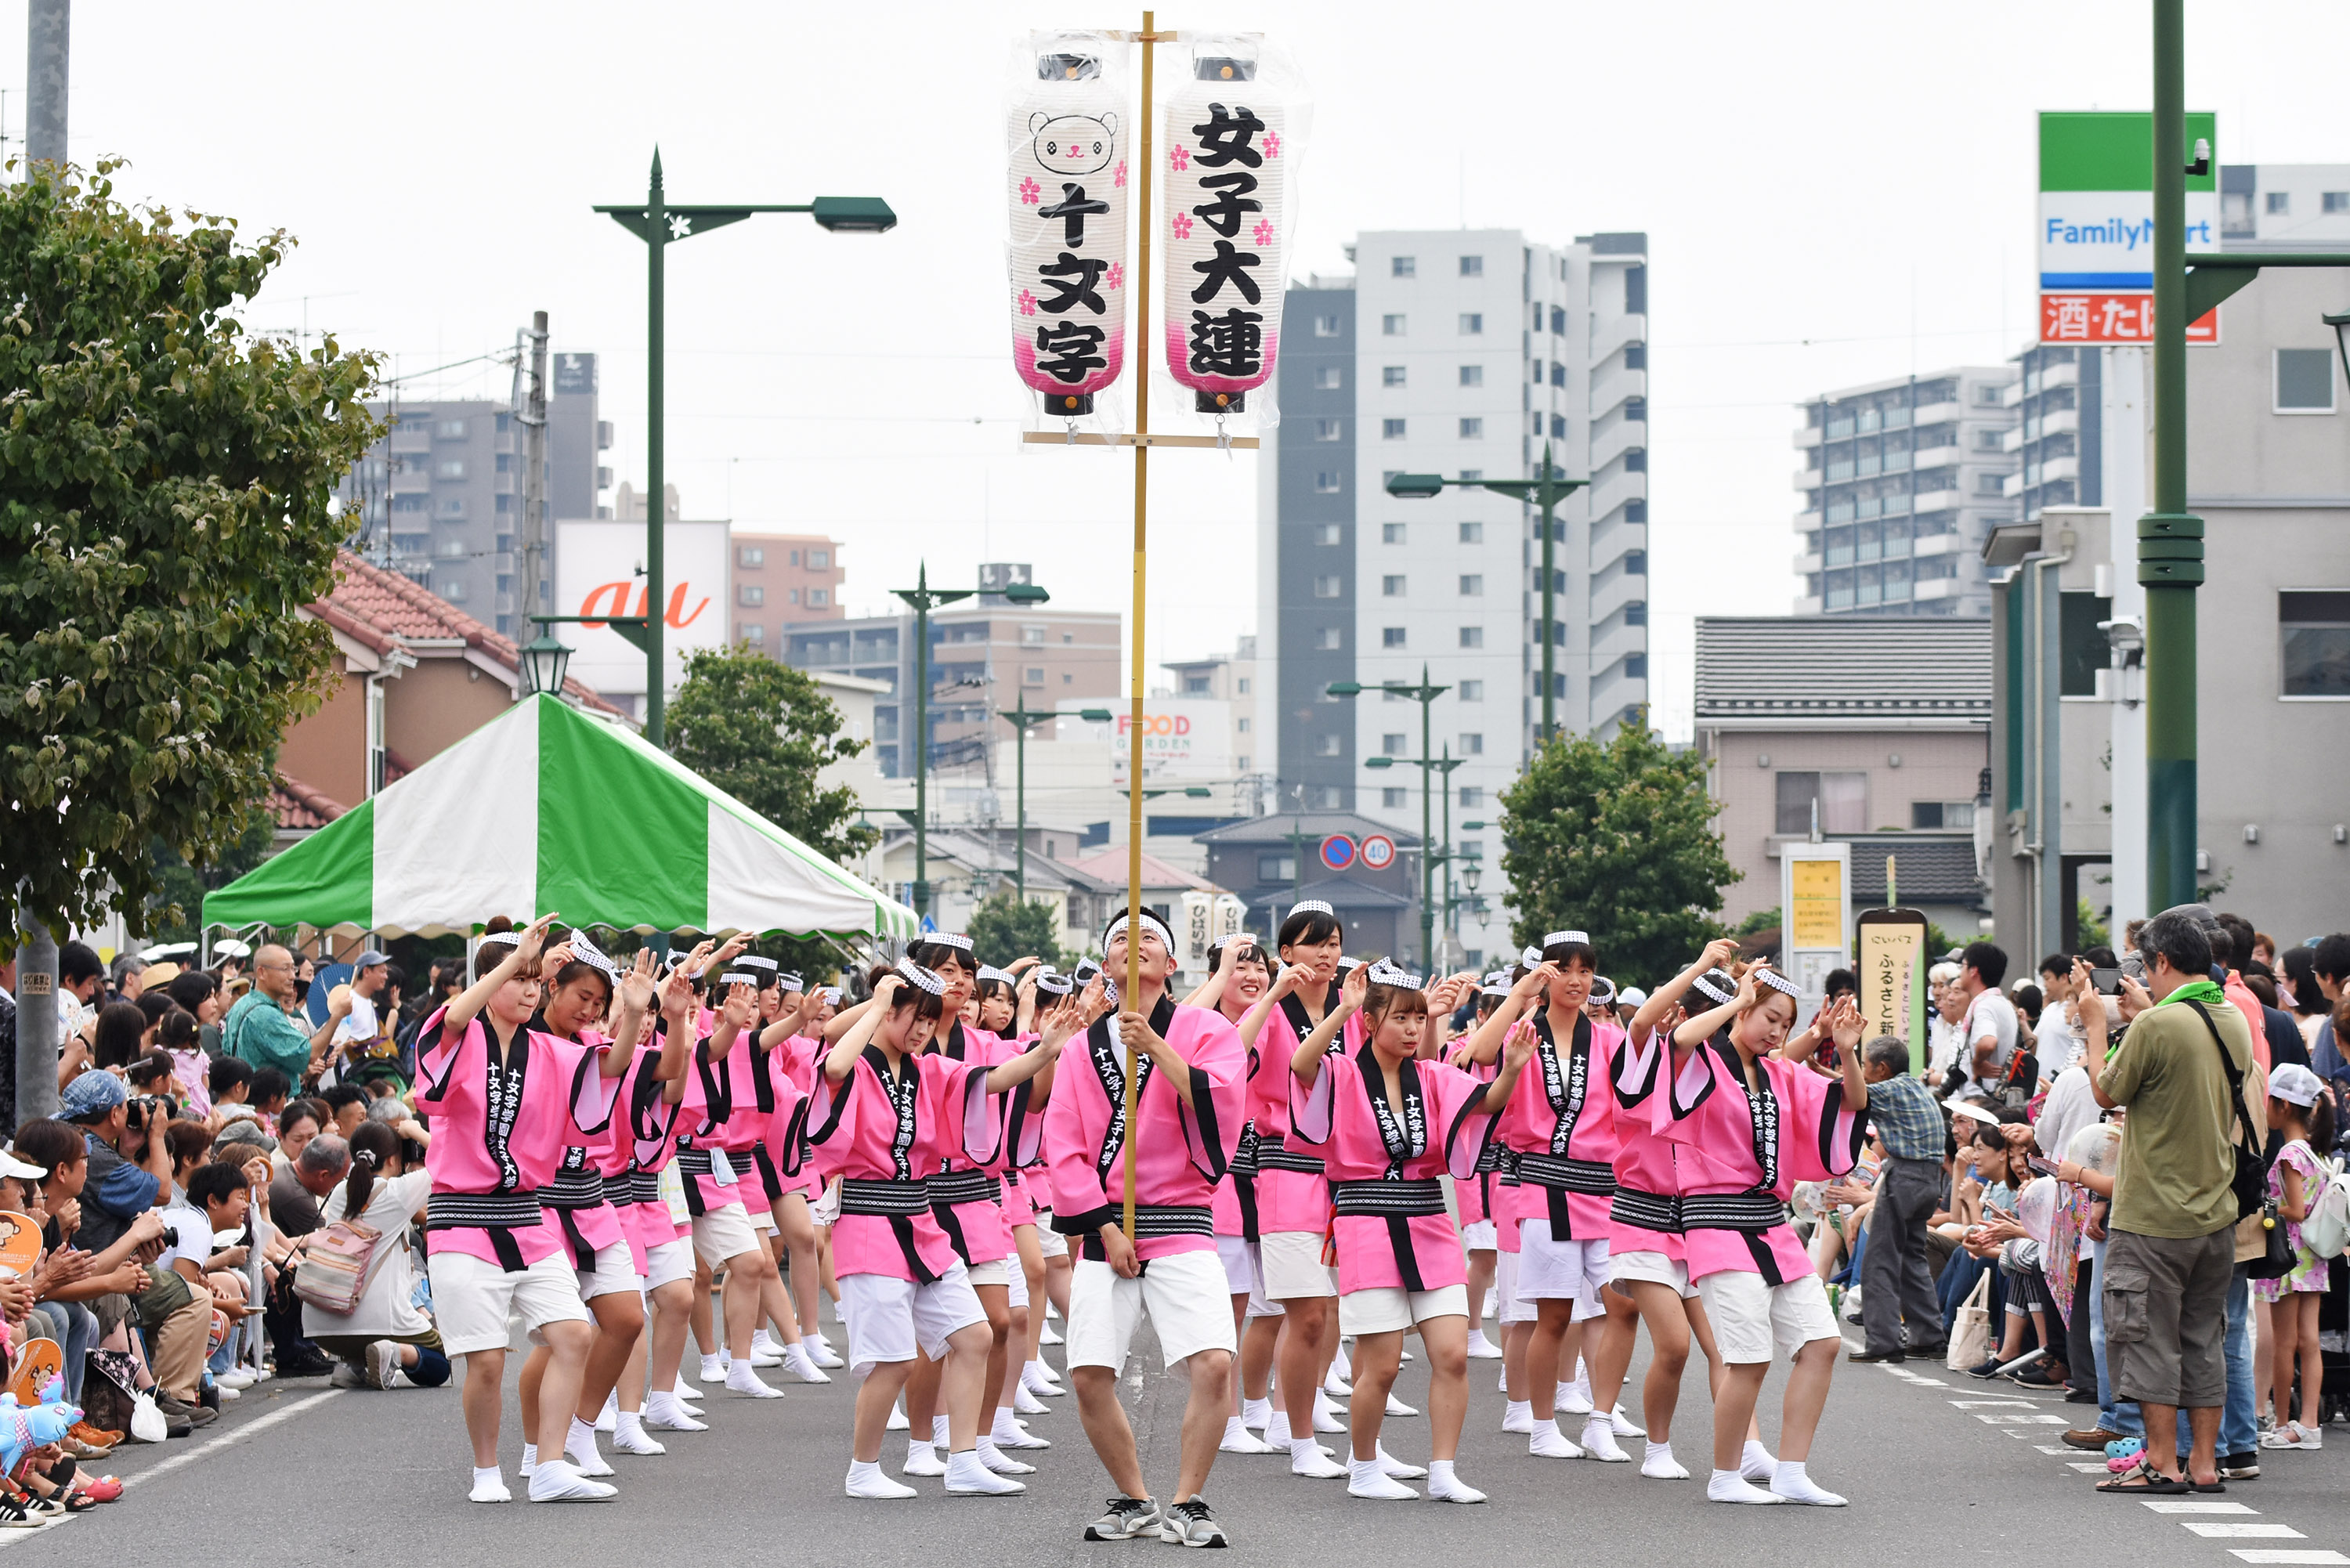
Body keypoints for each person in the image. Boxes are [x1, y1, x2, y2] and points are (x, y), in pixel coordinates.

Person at [810, 957, 1065, 1501]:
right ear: (888, 1012)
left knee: (974, 1335)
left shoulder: (927, 1069)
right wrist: (877, 1004)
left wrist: (1045, 1050)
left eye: (930, 1020)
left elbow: (992, 1081)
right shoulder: (856, 1064)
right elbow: (832, 1068)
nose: (924, 1029)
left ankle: (964, 1458)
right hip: (870, 1224)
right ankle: (863, 1469)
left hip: (921, 1224)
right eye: (913, 1017)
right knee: (896, 1359)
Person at [1287, 959, 1533, 1502]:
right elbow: (1302, 1064)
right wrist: (1344, 1009)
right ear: (1372, 1022)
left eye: (1419, 1019)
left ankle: (1443, 1469)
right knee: (1380, 1365)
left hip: (1427, 1222)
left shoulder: (1433, 1076)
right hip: (1366, 1223)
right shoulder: (1344, 1072)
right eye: (1401, 1018)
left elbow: (1483, 1104)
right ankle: (1366, 1466)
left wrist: (1512, 1069)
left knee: (1452, 1353)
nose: (1412, 1029)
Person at [414, 913, 638, 1505]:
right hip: (462, 1218)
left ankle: (549, 1464)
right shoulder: (460, 1035)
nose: (530, 989)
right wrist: (515, 957)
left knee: (572, 1335)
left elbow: (609, 1070)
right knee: (486, 1361)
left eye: (537, 980)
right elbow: (457, 1017)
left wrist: (637, 1013)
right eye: (520, 979)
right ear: (491, 981)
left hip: (525, 1216)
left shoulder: (548, 1050)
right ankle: (486, 1471)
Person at [1043, 911, 1246, 1547]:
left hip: (1181, 1217)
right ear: (1106, 969)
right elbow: (1065, 1146)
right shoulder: (1082, 1048)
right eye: (1120, 942)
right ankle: (1134, 1497)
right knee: (1088, 1374)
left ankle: (1189, 1500)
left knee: (1214, 1362)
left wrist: (1155, 1047)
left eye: (1149, 938)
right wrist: (1104, 1229)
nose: (1134, 946)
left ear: (1171, 964)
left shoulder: (1207, 1030)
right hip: (1108, 1231)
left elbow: (1219, 1107)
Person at [1665, 964, 1871, 1506]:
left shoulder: (1780, 1073)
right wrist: (1738, 998)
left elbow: (1849, 1104)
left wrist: (1846, 1050)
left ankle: (1792, 1471)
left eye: (1785, 1023)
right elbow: (1681, 1036)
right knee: (1750, 1357)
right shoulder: (1704, 1062)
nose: (1776, 1031)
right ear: (1744, 1009)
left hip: (1770, 1223)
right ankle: (1725, 1476)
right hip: (1715, 1220)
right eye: (1768, 1017)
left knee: (1822, 1344)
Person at [2090, 906, 2259, 1495]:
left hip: (2154, 1216)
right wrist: (2146, 1015)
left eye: (2145, 965)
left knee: (2147, 1339)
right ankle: (2205, 1465)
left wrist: (2096, 1024)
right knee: (2203, 1342)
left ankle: (2160, 1462)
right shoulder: (2228, 1016)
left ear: (2162, 961)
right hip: (2215, 1212)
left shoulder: (2158, 1026)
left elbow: (2105, 1089)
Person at [1231, 901, 1354, 1475]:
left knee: (1323, 1313)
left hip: (1339, 1175)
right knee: (1301, 1311)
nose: (1326, 954)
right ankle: (1293, 1432)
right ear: (1287, 953)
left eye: (1332, 943)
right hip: (1283, 1169)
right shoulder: (1275, 1011)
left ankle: (1290, 1421)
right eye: (1313, 944)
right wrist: (1273, 993)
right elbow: (1231, 1052)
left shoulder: (1350, 1008)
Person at [304, 1118, 448, 1392]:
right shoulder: (397, 1192)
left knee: (366, 1339)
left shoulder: (338, 1192)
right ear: (394, 1159)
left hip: (321, 1326)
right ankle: (393, 1352)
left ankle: (353, 1364)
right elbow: (450, 1158)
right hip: (381, 1320)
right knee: (441, 1361)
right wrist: (415, 1131)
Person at [1850, 1035, 1949, 1363]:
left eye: (1864, 1066)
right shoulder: (1915, 1086)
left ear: (1881, 1069)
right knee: (1911, 1257)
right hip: (1929, 1180)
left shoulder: (1890, 1089)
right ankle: (1929, 1336)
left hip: (1905, 1177)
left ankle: (1884, 1342)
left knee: (1879, 1261)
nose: (1862, 1072)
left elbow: (1848, 1094)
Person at [2253, 1063, 2331, 1452]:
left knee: (2285, 1343)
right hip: (2314, 1258)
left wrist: (2264, 1207)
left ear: (2283, 1105)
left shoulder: (2289, 1154)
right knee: (2309, 1341)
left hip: (2288, 1258)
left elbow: (2295, 1209)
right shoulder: (2315, 1152)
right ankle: (2310, 1424)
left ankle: (2284, 1422)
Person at [222, 945, 350, 1085]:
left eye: (293, 969)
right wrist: (337, 1016)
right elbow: (308, 1054)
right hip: (266, 1102)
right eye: (285, 969)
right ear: (261, 973)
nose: (292, 976)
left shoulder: (242, 1004)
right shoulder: (265, 1014)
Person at [1954, 943, 2018, 1104]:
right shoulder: (2003, 1003)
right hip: (1994, 1097)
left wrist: (1977, 1064)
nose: (1960, 972)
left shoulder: (1984, 1006)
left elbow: (1988, 1042)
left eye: (1963, 966)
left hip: (1981, 1100)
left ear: (1974, 971)